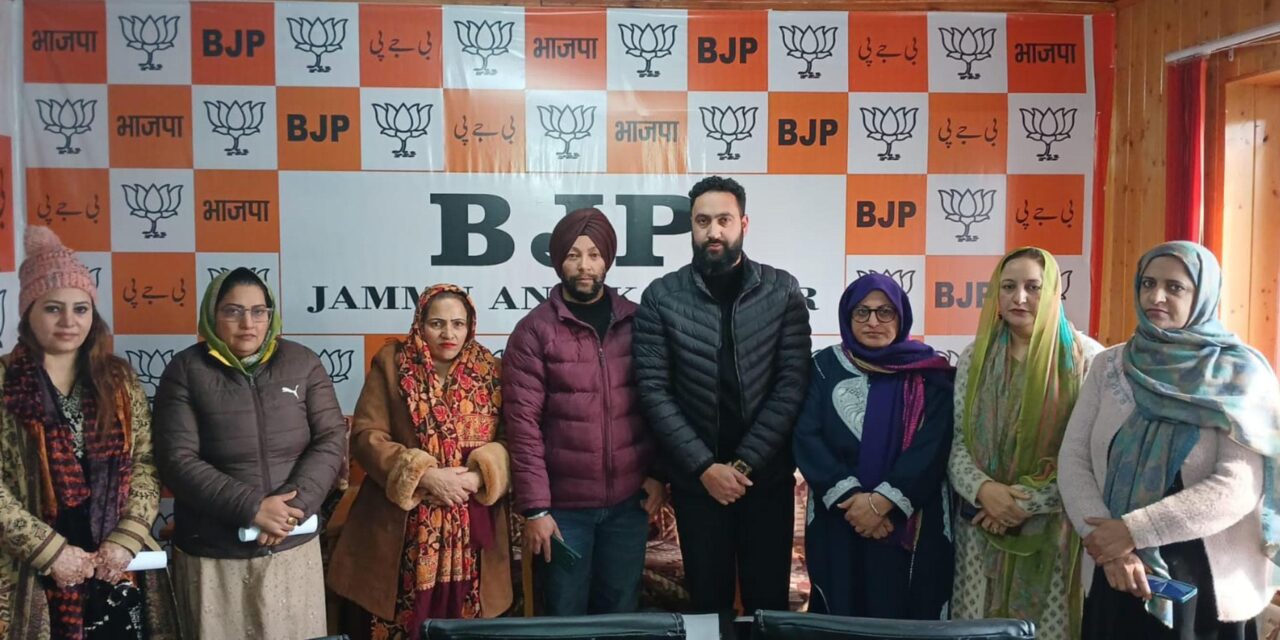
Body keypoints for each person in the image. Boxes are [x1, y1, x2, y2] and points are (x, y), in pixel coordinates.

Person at [1059, 241, 1280, 639]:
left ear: (1203, 295)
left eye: (1175, 287)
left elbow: (1238, 486)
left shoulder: (1240, 374)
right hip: (1116, 570)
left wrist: (1132, 532)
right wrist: (1110, 545)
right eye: (1147, 283)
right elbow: (1074, 459)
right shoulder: (1110, 364)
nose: (1155, 296)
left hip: (1205, 581)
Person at [633, 176, 811, 632]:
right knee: (705, 609)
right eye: (703, 221)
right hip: (698, 485)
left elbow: (792, 384)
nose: (714, 231)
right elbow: (654, 390)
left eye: (724, 220)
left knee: (767, 605)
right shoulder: (661, 297)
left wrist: (745, 465)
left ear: (743, 224)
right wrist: (705, 469)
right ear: (692, 227)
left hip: (765, 480)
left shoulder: (783, 290)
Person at [0, 226, 178, 639]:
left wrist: (125, 539)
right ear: (28, 312)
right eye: (53, 308)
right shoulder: (6, 380)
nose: (69, 321)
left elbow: (146, 463)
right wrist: (51, 552)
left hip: (111, 566)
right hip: (26, 573)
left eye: (81, 309)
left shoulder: (117, 380)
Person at [154, 267, 347, 639]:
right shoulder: (184, 370)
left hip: (291, 546)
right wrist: (253, 508)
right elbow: (177, 459)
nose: (248, 323)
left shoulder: (302, 362)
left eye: (259, 312)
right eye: (233, 311)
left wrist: (290, 510)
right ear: (213, 315)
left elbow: (330, 437)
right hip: (215, 556)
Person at [328, 284, 512, 638]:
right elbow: (367, 436)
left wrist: (478, 476)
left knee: (468, 624)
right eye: (437, 323)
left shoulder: (492, 371)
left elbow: (511, 440)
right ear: (420, 323)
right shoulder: (393, 364)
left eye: (458, 324)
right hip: (400, 528)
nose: (448, 334)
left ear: (470, 326)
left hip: (471, 526)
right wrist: (423, 474)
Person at [504, 208, 662, 615]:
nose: (584, 265)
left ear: (607, 259)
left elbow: (659, 404)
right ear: (559, 260)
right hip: (563, 512)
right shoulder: (534, 331)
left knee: (621, 614)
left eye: (594, 254)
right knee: (564, 617)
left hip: (629, 507)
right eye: (573, 255)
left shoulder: (638, 322)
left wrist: (660, 475)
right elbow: (523, 426)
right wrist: (536, 508)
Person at [948, 247, 1103, 640]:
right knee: (977, 628)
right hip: (979, 530)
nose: (1019, 298)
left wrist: (1022, 504)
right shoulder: (974, 358)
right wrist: (985, 492)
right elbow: (957, 445)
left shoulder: (1087, 360)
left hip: (1054, 531)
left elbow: (1087, 456)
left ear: (1053, 293)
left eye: (1033, 287)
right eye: (1009, 287)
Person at [794, 273, 955, 619]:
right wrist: (855, 502)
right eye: (862, 312)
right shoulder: (824, 367)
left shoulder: (930, 372)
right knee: (842, 610)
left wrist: (884, 503)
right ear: (847, 317)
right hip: (840, 516)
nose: (873, 322)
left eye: (885, 312)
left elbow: (934, 445)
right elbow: (807, 434)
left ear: (901, 317)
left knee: (905, 609)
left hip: (909, 516)